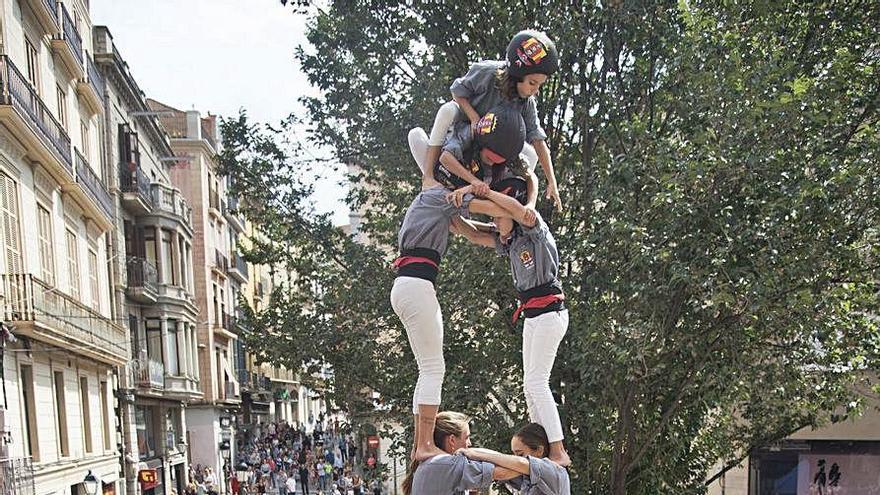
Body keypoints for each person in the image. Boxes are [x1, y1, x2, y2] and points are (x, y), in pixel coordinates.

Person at [393, 104, 529, 462]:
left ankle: (420, 443)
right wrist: (520, 205)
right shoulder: (439, 196)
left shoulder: (432, 201)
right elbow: (491, 208)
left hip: (410, 285)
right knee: (433, 368)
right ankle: (423, 445)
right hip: (416, 285)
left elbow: (473, 233)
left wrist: (503, 239)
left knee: (428, 366)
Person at [449, 177, 571, 466]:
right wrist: (449, 206)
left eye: (496, 215)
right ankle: (536, 442)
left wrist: (483, 191)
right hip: (533, 316)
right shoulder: (511, 241)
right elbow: (470, 232)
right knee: (530, 385)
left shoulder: (533, 230)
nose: (494, 220)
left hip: (549, 313)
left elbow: (521, 211)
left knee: (537, 381)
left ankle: (558, 451)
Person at [417, 30, 563, 211]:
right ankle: (429, 176)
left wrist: (552, 181)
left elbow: (539, 141)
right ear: (516, 75)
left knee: (531, 154)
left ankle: (499, 206)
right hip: (467, 132)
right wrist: (473, 118)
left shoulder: (526, 102)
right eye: (532, 83)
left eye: (540, 85)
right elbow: (457, 92)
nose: (536, 90)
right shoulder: (486, 73)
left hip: (492, 148)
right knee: (447, 110)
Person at [402, 411, 519, 495]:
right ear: (452, 440)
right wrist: (531, 464)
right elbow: (502, 473)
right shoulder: (446, 464)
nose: (470, 443)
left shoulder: (433, 464)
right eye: (467, 437)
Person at [459, 423, 570, 494]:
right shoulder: (527, 476)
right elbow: (500, 460)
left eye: (520, 454)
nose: (515, 459)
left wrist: (475, 454)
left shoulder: (554, 472)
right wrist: (468, 452)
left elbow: (520, 463)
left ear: (539, 451)